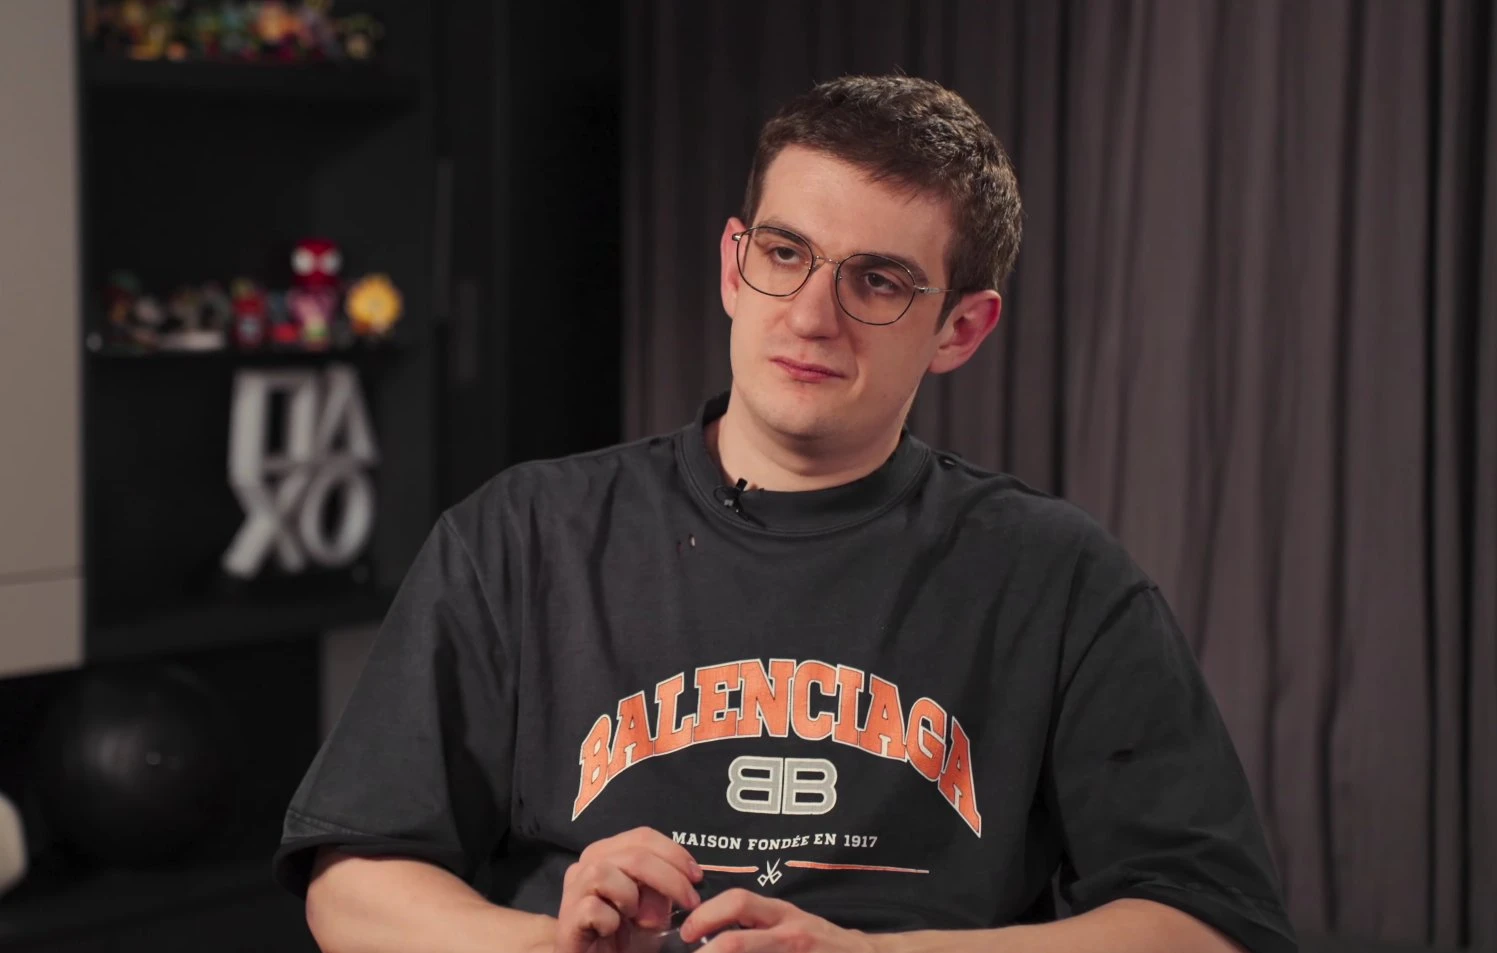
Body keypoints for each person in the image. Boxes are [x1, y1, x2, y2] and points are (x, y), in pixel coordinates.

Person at [273, 74, 1298, 953]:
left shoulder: (1056, 575)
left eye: (878, 281)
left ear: (961, 328)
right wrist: (548, 942)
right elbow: (351, 880)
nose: (811, 315)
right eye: (785, 253)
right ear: (734, 264)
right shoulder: (522, 536)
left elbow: (1207, 921)